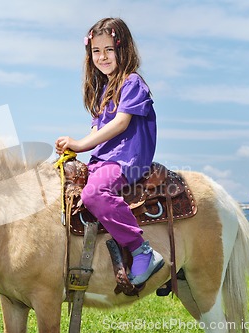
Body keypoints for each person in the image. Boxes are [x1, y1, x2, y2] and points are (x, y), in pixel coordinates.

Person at [55, 17, 164, 286]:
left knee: (94, 193)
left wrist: (81, 145)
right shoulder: (104, 89)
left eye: (108, 50)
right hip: (103, 158)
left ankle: (141, 250)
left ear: (122, 49)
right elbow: (96, 132)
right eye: (96, 51)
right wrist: (74, 144)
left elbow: (120, 123)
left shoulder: (132, 83)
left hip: (126, 159)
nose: (102, 57)